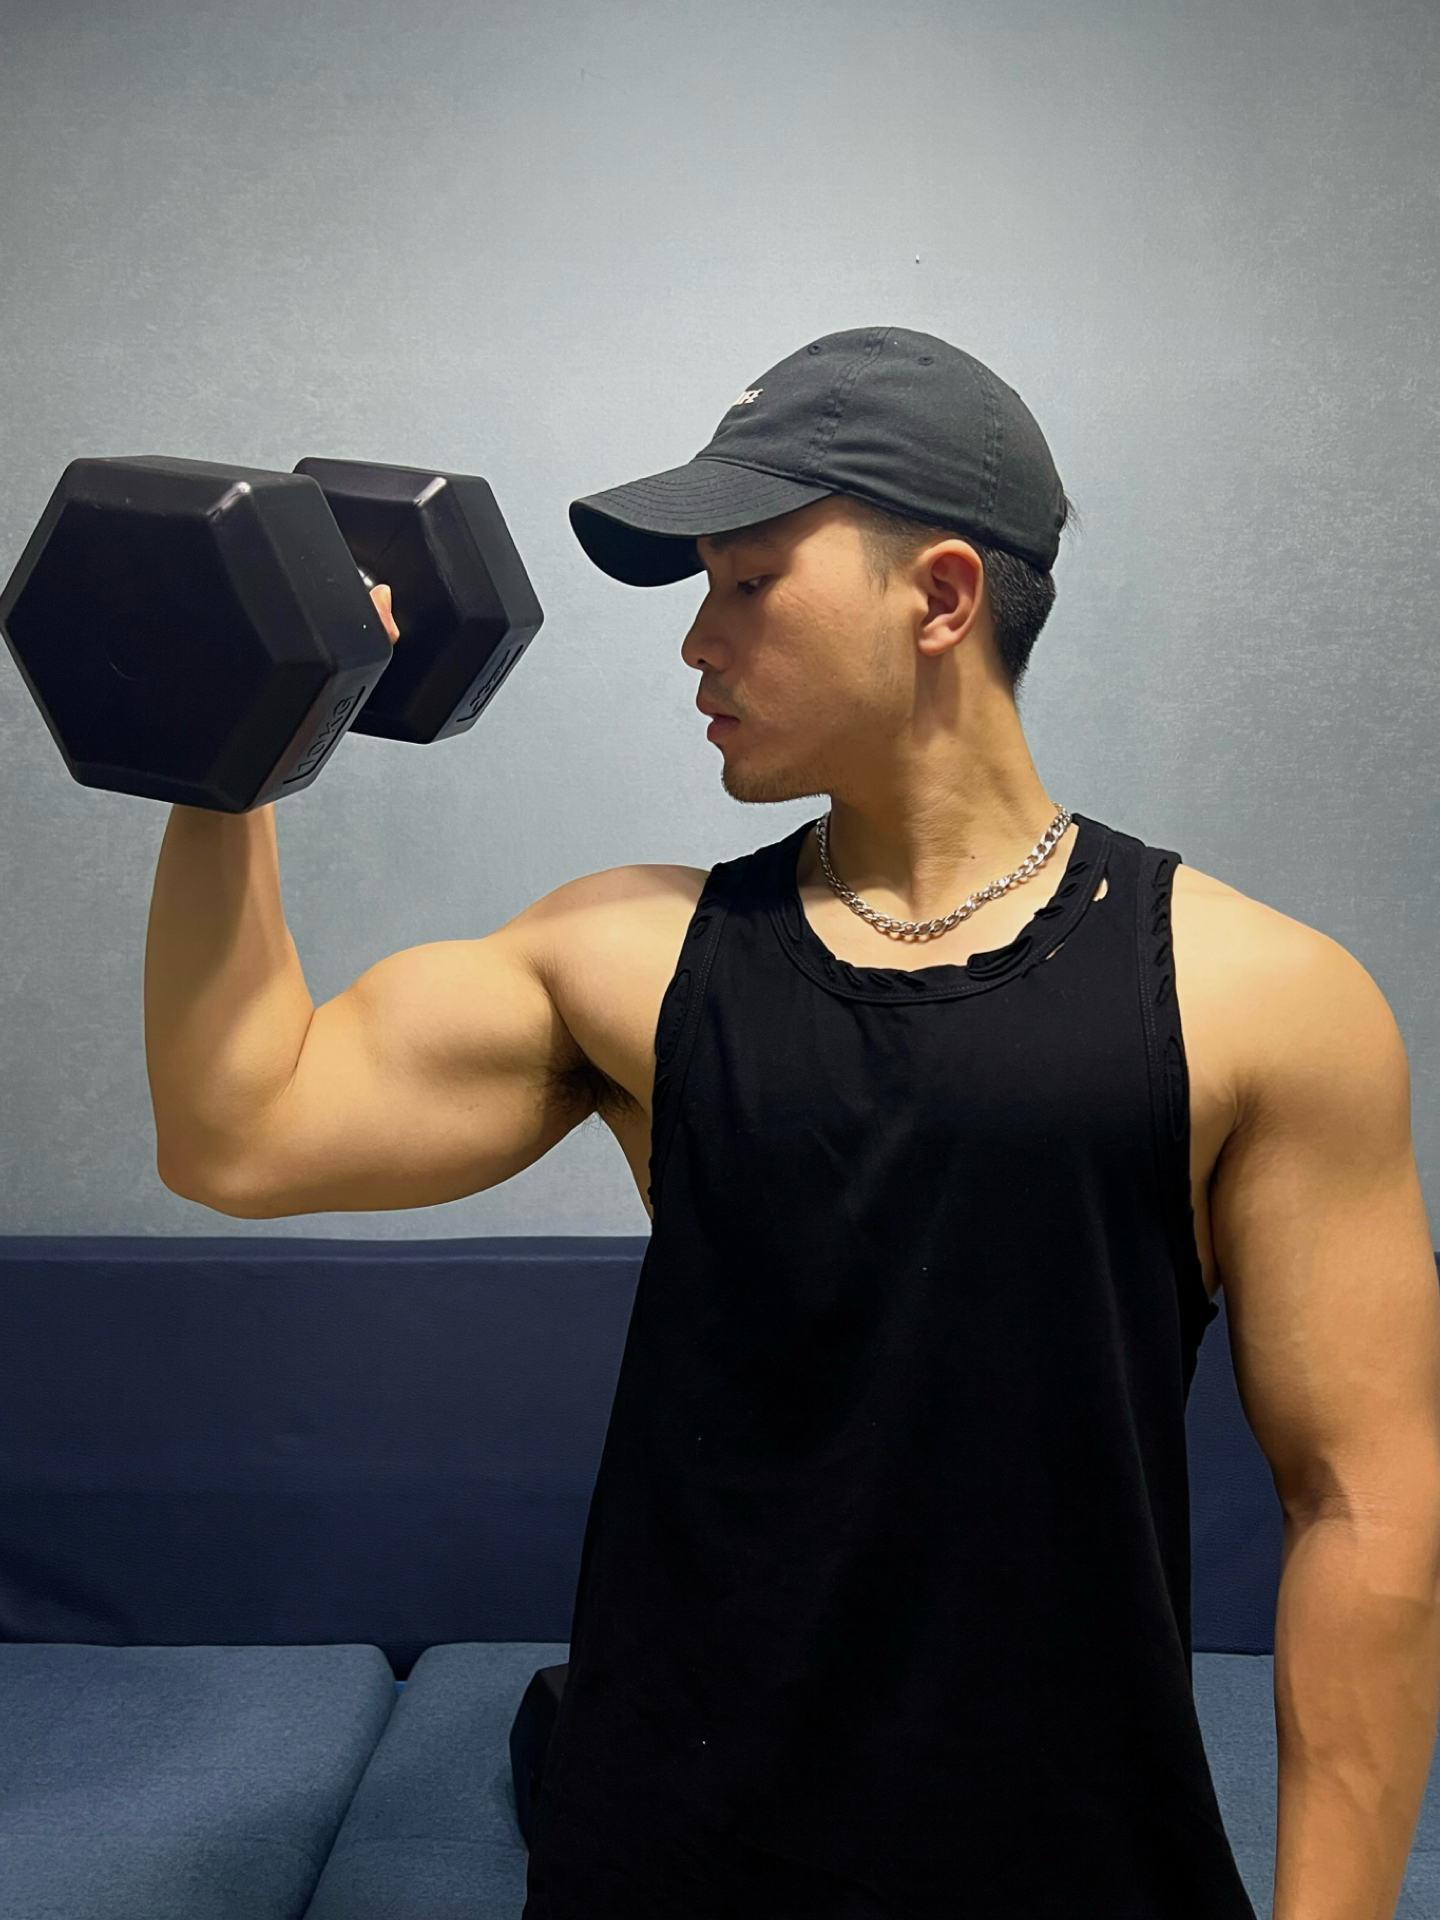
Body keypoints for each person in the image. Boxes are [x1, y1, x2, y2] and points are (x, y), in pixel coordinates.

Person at [145, 327, 1440, 1919]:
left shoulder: (1265, 1000)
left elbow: (1366, 1505)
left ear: (941, 597)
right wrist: (240, 747)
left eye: (749, 582)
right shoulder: (628, 958)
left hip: (1071, 1859)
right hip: (669, 1857)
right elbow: (240, 1133)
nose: (697, 641)